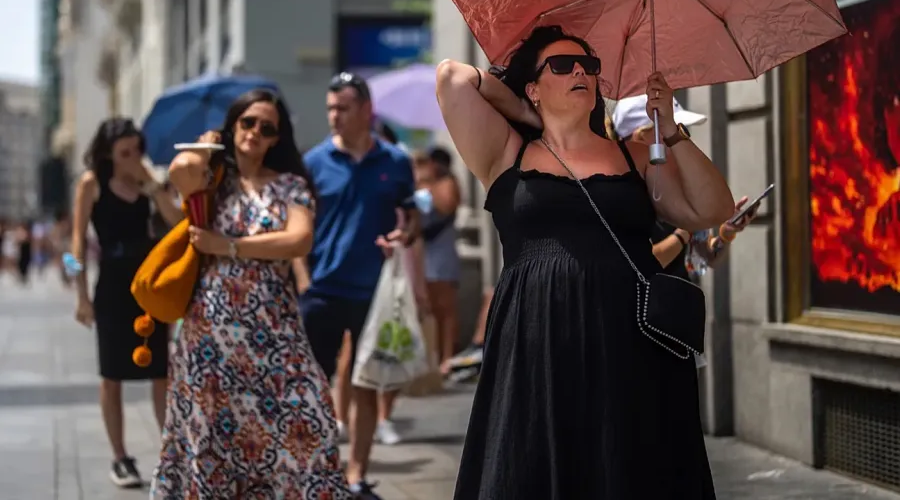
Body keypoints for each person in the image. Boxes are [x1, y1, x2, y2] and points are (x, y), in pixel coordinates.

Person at [435, 25, 735, 499]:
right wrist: (523, 111)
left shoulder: (635, 155)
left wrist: (672, 133)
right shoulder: (507, 153)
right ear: (533, 86)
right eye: (561, 65)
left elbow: (712, 210)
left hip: (631, 342)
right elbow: (453, 77)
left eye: (589, 66)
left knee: (629, 465)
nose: (580, 71)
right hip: (537, 340)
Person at [153, 89, 351, 498]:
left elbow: (298, 240)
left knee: (309, 418)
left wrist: (227, 246)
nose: (255, 133)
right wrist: (208, 146)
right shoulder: (212, 179)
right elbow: (179, 172)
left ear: (277, 138)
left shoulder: (290, 184)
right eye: (247, 123)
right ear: (234, 126)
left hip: (274, 331)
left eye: (267, 128)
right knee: (211, 440)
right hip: (210, 335)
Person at [303, 72, 419, 498]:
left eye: (343, 107)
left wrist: (403, 235)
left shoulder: (394, 161)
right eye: (330, 107)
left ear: (367, 111)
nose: (334, 115)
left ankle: (355, 477)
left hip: (375, 291)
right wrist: (302, 280)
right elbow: (298, 226)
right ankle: (318, 472)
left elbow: (411, 215)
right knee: (314, 387)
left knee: (367, 383)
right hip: (321, 290)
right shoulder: (313, 162)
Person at [70, 117, 183, 488]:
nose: (133, 157)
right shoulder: (92, 183)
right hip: (112, 283)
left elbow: (177, 221)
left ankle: (171, 452)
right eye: (125, 152)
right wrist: (81, 295)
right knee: (112, 374)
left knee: (161, 370)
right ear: (108, 152)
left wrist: (153, 188)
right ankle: (120, 456)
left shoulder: (148, 180)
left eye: (137, 150)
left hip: (148, 283)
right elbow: (75, 245)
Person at [610, 95, 758, 277]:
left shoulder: (679, 184)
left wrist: (726, 234)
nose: (681, 140)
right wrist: (684, 233)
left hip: (678, 303)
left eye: (682, 131)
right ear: (641, 137)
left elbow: (706, 258)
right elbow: (638, 265)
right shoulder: (615, 193)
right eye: (672, 131)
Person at [411, 147, 462, 374]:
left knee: (445, 308)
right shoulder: (417, 182)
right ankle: (430, 357)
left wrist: (428, 185)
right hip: (421, 251)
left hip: (441, 252)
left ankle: (446, 356)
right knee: (427, 307)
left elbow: (447, 206)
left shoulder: (446, 183)